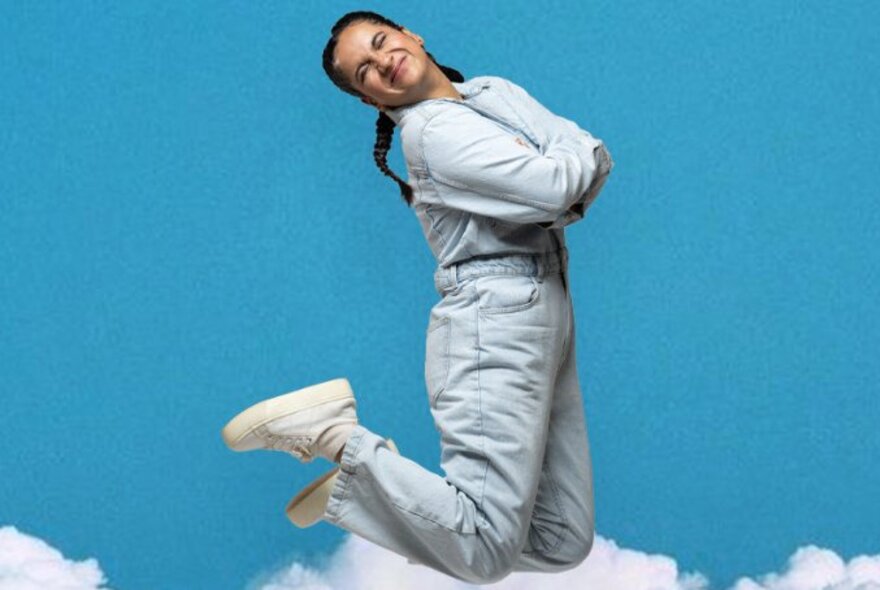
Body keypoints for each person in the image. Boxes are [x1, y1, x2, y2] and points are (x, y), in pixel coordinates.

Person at [221, 10, 614, 585]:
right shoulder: (429, 134)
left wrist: (571, 173)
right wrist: (580, 157)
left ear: (413, 35)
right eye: (366, 72)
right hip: (491, 318)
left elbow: (567, 185)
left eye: (381, 42)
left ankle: (375, 492)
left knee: (561, 539)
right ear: (369, 100)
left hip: (546, 302)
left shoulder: (491, 91)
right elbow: (562, 184)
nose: (382, 62)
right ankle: (333, 434)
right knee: (483, 550)